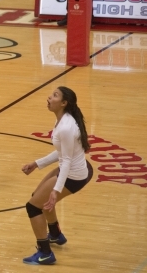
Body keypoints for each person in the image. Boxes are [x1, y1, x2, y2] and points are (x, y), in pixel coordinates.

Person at [20, 86, 94, 265]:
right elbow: (62, 153)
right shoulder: (63, 120)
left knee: (33, 207)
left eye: (54, 96)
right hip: (72, 169)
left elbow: (67, 160)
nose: (49, 98)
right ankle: (55, 234)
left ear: (64, 103)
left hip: (73, 175)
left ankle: (45, 253)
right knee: (39, 200)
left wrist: (56, 190)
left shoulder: (66, 127)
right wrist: (37, 164)